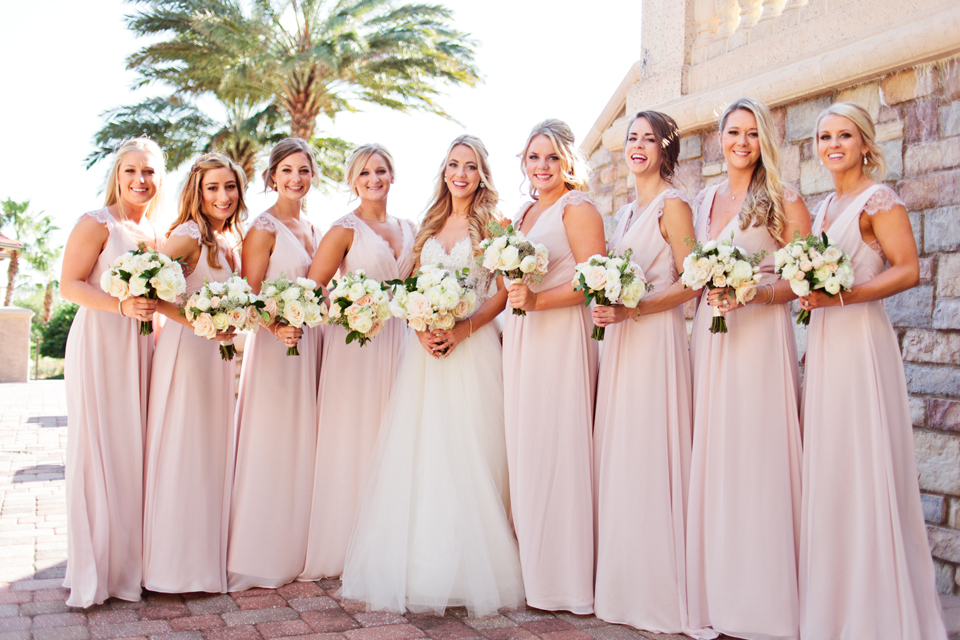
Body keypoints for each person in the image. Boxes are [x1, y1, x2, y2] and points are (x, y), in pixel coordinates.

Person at [340, 135, 524, 616]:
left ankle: (474, 567)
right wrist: (420, 327)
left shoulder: (495, 225)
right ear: (443, 172)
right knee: (426, 451)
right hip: (425, 353)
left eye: (469, 166)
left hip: (472, 347)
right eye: (452, 165)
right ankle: (423, 566)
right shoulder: (430, 225)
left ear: (482, 174)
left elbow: (503, 294)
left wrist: (463, 329)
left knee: (473, 450)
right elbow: (405, 287)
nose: (459, 174)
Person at [797, 102, 948, 639]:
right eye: (824, 136)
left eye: (844, 135)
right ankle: (837, 606)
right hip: (827, 343)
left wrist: (845, 295)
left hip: (861, 340)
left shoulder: (878, 199)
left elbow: (907, 270)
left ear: (865, 143)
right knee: (832, 466)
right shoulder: (823, 206)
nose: (832, 144)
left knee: (864, 462)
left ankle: (877, 611)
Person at [686, 97, 811, 640]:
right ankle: (717, 590)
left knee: (757, 455)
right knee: (714, 455)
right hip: (710, 340)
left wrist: (756, 291)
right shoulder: (705, 199)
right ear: (719, 137)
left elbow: (808, 278)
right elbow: (689, 270)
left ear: (765, 141)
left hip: (759, 339)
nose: (741, 142)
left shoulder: (783, 198)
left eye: (752, 133)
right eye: (733, 132)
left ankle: (762, 599)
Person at [591, 111, 699, 634]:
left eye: (647, 139)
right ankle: (624, 581)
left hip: (653, 339)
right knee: (625, 450)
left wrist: (635, 309)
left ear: (665, 148)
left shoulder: (673, 204)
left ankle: (656, 590)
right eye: (631, 138)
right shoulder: (626, 208)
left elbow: (694, 280)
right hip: (621, 342)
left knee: (650, 448)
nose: (637, 146)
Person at [502, 119, 607, 614]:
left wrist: (539, 303)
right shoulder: (523, 212)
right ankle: (532, 571)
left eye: (551, 157)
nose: (541, 166)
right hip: (524, 336)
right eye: (533, 157)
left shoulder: (578, 207)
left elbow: (596, 279)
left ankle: (563, 580)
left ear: (568, 162)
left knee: (557, 445)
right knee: (526, 446)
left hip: (560, 337)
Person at [300, 143, 415, 580]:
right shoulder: (342, 230)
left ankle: (389, 538)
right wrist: (354, 307)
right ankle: (347, 541)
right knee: (356, 435)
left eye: (381, 170)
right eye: (364, 173)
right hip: (357, 343)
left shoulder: (410, 228)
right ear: (352, 181)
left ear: (392, 175)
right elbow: (314, 290)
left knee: (394, 433)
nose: (373, 179)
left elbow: (417, 283)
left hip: (400, 340)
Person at [60, 138, 165, 607]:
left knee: (135, 450)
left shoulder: (158, 233)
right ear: (117, 176)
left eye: (149, 172)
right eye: (131, 171)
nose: (140, 181)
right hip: (102, 340)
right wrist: (121, 305)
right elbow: (69, 286)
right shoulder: (96, 223)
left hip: (143, 345)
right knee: (101, 448)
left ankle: (133, 565)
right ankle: (97, 570)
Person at [142, 153, 246, 594]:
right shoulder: (186, 237)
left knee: (209, 450)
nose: (222, 196)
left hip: (215, 356)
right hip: (186, 352)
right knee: (183, 448)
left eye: (230, 187)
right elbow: (149, 294)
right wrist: (201, 323)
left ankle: (203, 562)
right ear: (197, 193)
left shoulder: (227, 240)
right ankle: (172, 568)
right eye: (212, 188)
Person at [227, 138, 322, 590]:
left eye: (303, 170)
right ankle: (260, 550)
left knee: (302, 439)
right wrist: (276, 327)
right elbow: (249, 292)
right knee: (271, 437)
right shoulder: (262, 228)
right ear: (271, 176)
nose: (295, 179)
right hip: (275, 347)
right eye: (286, 170)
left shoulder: (314, 229)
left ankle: (296, 541)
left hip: (310, 345)